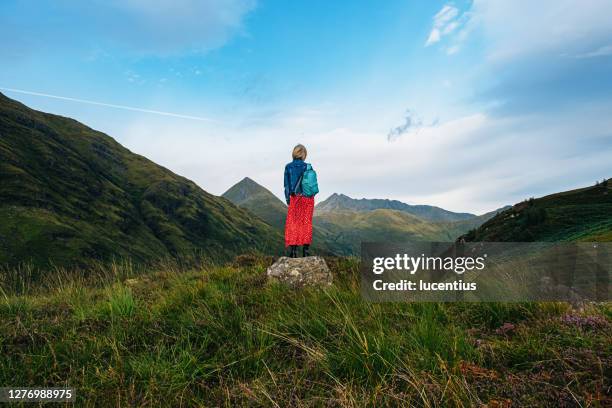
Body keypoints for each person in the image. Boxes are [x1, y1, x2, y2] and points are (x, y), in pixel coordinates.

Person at [284, 144, 315, 257]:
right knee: (306, 223)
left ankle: (293, 252)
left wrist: (288, 199)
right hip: (308, 199)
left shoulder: (288, 167)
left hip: (295, 198)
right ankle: (306, 251)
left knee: (294, 223)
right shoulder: (308, 167)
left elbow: (286, 186)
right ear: (304, 154)